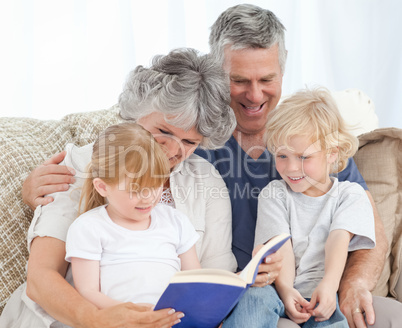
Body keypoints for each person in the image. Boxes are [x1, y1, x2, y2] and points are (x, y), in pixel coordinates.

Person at [1, 48, 248, 328]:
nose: (173, 151)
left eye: (190, 142)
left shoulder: (205, 179)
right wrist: (96, 318)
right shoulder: (83, 165)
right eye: (164, 132)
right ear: (138, 114)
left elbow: (213, 278)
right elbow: (41, 278)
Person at [194, 4, 399, 328]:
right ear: (218, 74)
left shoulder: (313, 135)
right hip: (252, 297)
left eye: (266, 79)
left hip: (321, 290)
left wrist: (352, 284)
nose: (255, 94)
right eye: (239, 80)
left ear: (282, 72)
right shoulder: (197, 143)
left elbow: (368, 229)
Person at [225, 87, 376, 328]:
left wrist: (328, 285)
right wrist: (285, 291)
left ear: (331, 154)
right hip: (275, 288)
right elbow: (279, 245)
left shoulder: (350, 195)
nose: (292, 168)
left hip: (326, 287)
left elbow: (338, 241)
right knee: (252, 299)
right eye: (282, 156)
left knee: (331, 317)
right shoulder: (274, 193)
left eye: (304, 157)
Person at [65, 122, 201, 311]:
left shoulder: (176, 222)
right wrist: (130, 313)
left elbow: (196, 282)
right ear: (103, 187)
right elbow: (87, 292)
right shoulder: (89, 228)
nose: (148, 198)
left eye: (155, 186)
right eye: (135, 190)